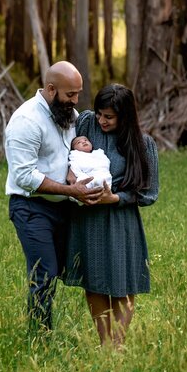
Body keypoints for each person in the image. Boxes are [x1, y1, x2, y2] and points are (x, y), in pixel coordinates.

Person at [4, 61, 103, 331]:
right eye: (70, 94)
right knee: (44, 272)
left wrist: (72, 172)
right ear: (50, 89)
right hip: (31, 208)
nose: (76, 101)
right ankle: (39, 339)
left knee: (63, 270)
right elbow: (24, 177)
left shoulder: (66, 114)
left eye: (78, 94)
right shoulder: (26, 121)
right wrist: (71, 190)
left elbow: (70, 151)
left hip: (63, 208)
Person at [65, 84, 159, 347]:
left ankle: (117, 344)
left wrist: (115, 198)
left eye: (109, 116)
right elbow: (66, 151)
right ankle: (105, 343)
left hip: (121, 219)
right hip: (89, 218)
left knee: (122, 281)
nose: (101, 120)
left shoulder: (142, 145)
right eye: (99, 114)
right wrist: (70, 176)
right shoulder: (86, 125)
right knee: (94, 280)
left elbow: (149, 193)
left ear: (125, 116)